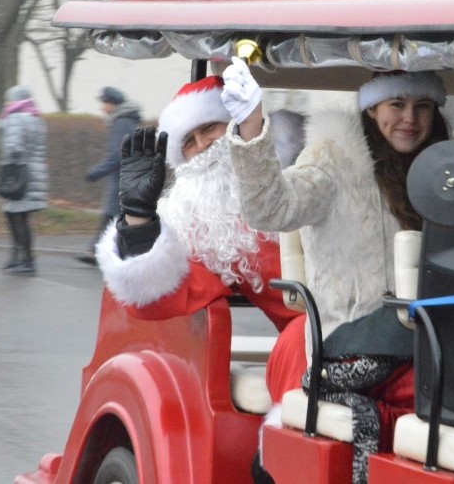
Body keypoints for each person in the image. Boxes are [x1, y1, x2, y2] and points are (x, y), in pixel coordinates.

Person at [222, 59, 450, 484]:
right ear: (371, 109)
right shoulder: (333, 161)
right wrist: (252, 129)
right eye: (396, 104)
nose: (409, 118)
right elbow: (271, 207)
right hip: (349, 340)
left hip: (424, 339)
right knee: (439, 386)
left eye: (422, 107)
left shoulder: (444, 175)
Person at [94, 75, 307, 404]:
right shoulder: (216, 229)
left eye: (209, 128)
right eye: (189, 143)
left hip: (391, 306)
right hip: (313, 335)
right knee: (301, 343)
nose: (203, 146)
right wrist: (138, 219)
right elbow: (162, 295)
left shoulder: (309, 166)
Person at [77, 86, 141, 265]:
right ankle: (96, 251)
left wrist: (96, 172)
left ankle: (104, 252)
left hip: (123, 178)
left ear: (112, 104)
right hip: (127, 177)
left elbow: (117, 155)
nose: (102, 108)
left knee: (114, 217)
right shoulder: (127, 120)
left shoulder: (122, 122)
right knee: (113, 217)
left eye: (104, 103)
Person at [0, 85, 49, 276]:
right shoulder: (36, 119)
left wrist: (8, 166)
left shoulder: (14, 118)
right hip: (33, 176)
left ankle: (23, 260)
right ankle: (21, 258)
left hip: (17, 175)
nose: (7, 103)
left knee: (14, 217)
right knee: (21, 218)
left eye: (9, 100)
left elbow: (13, 147)